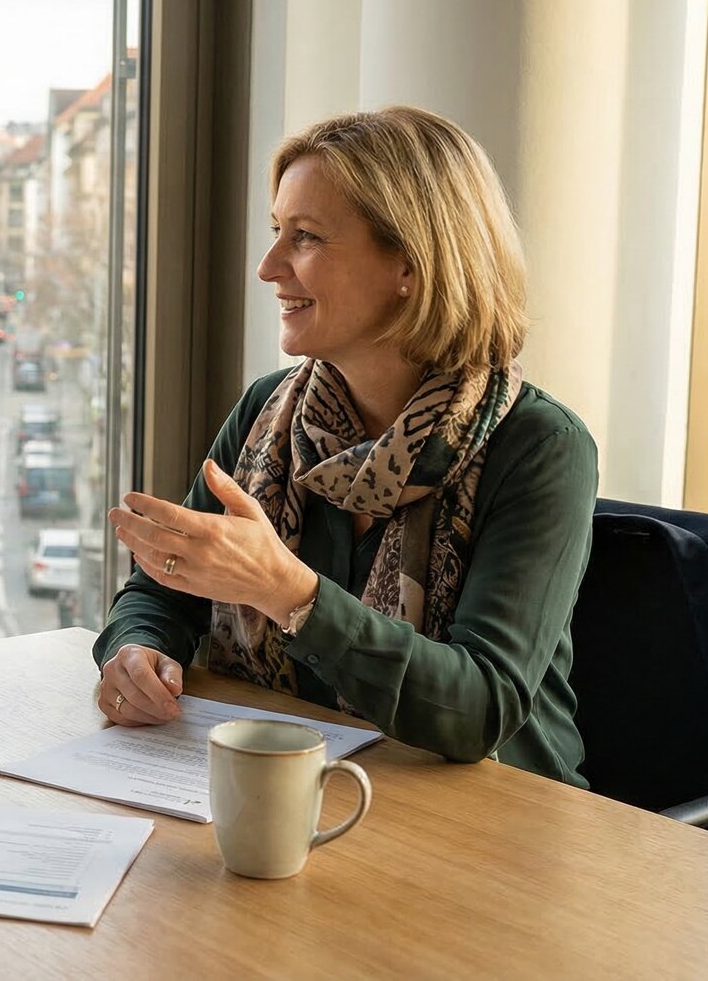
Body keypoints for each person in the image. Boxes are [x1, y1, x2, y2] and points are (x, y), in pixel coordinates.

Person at [97, 106, 596, 786]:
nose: (268, 266)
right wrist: (135, 650)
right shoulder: (266, 415)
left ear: (411, 266)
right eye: (277, 232)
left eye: (304, 238)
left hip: (497, 820)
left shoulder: (541, 447)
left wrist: (290, 593)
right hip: (314, 789)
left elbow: (480, 705)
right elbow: (161, 595)